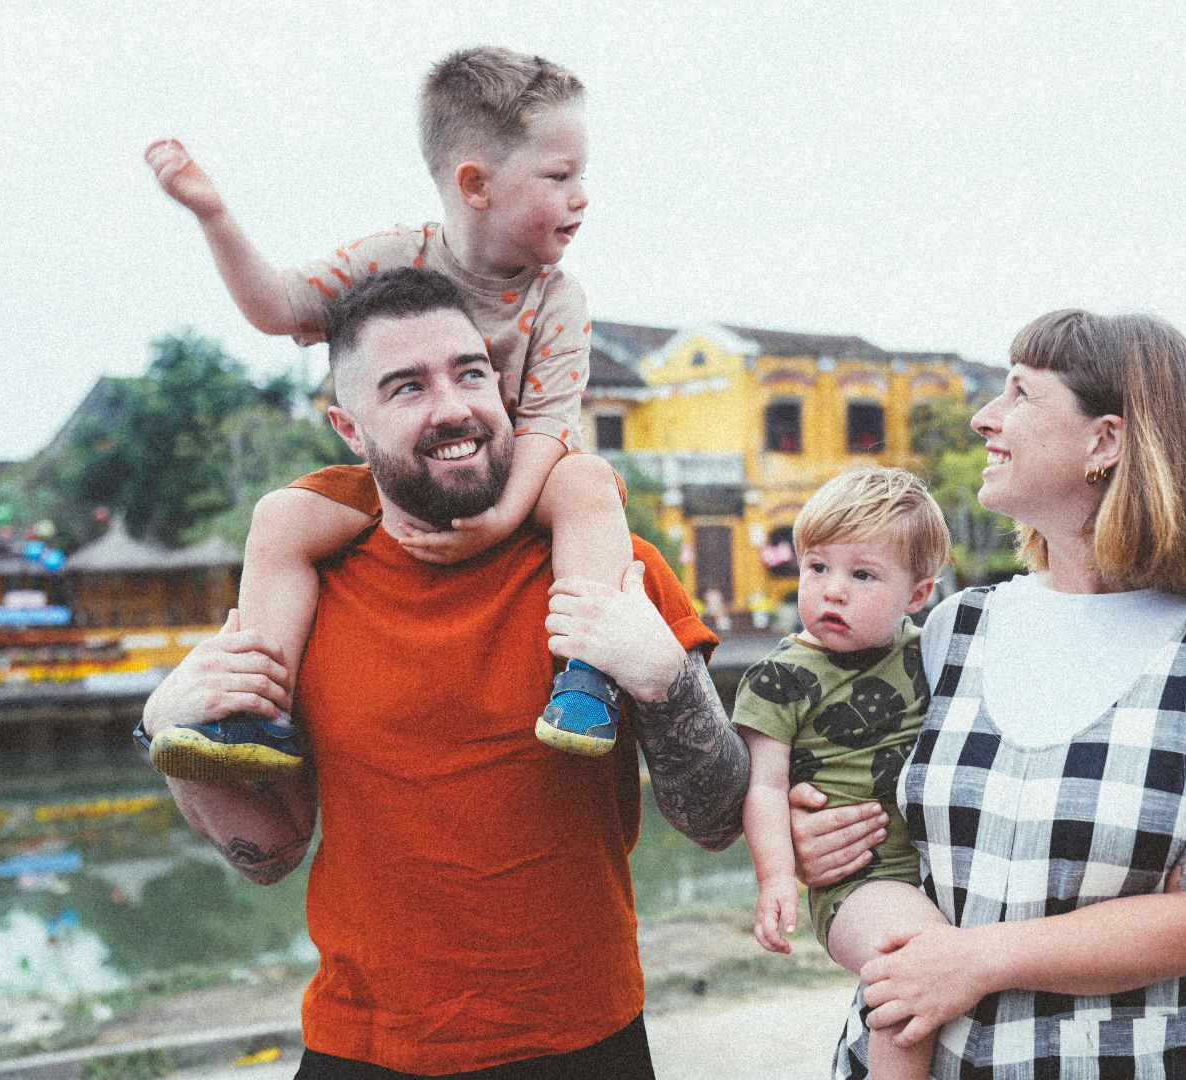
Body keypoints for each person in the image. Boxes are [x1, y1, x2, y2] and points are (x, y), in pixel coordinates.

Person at [136, 268, 749, 1079]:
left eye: (470, 373)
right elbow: (272, 853)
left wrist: (664, 677)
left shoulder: (607, 569)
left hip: (582, 1039)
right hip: (365, 1044)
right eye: (408, 387)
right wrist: (165, 731)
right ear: (350, 430)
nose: (453, 406)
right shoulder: (308, 592)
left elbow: (715, 823)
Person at [789, 310, 1186, 1079]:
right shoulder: (952, 629)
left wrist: (979, 960)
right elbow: (864, 815)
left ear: (1105, 441)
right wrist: (821, 833)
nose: (984, 418)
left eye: (1020, 394)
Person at [143, 46, 632, 778]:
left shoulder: (557, 298)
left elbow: (548, 426)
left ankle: (589, 678)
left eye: (581, 175)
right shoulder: (394, 256)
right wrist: (212, 213)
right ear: (476, 184)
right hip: (404, 478)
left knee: (588, 482)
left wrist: (499, 519)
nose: (582, 196)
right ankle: (258, 706)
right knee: (281, 517)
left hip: (517, 472)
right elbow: (278, 307)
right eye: (560, 177)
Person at [734, 466, 952, 1080]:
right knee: (906, 962)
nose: (832, 592)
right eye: (817, 567)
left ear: (917, 594)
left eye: (863, 575)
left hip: (943, 870)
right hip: (860, 881)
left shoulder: (929, 649)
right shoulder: (780, 678)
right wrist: (777, 876)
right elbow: (765, 786)